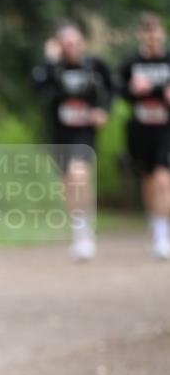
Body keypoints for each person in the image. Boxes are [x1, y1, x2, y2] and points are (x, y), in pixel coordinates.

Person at [31, 20, 112, 261]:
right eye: (66, 43)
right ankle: (80, 232)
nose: (72, 47)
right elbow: (36, 88)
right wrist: (49, 61)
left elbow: (111, 89)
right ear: (58, 45)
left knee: (80, 174)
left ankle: (85, 234)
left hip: (84, 132)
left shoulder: (95, 66)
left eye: (75, 42)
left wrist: (103, 111)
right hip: (59, 134)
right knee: (67, 184)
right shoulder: (53, 68)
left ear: (82, 42)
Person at [118, 12, 170, 260]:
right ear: (141, 36)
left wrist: (155, 89)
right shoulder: (131, 62)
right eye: (147, 35)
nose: (152, 40)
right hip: (141, 129)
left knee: (163, 179)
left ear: (162, 34)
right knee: (148, 181)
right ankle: (157, 229)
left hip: (166, 128)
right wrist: (132, 90)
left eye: (156, 34)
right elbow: (119, 90)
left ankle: (164, 235)